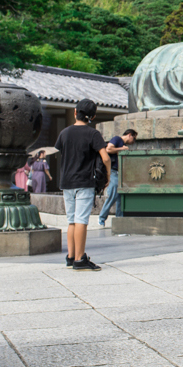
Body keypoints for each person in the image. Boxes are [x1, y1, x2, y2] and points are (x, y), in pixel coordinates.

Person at [54, 99, 111, 272]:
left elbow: (60, 152)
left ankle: (71, 257)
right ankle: (80, 259)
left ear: (75, 112)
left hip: (66, 182)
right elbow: (106, 158)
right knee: (81, 220)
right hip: (84, 181)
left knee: (71, 221)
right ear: (92, 116)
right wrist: (107, 175)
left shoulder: (64, 133)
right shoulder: (93, 134)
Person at [98, 129, 138, 227]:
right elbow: (108, 149)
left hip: (119, 172)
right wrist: (122, 149)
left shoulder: (122, 143)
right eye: (134, 138)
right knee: (113, 194)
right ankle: (102, 218)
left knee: (121, 196)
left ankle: (120, 219)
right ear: (129, 135)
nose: (134, 141)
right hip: (113, 171)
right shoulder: (117, 139)